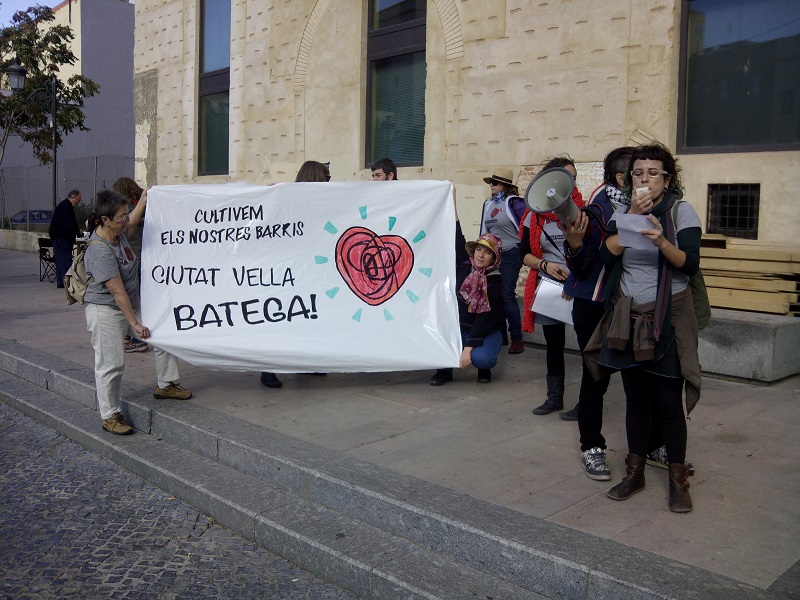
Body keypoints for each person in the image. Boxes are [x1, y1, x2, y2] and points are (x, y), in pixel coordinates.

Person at [584, 143, 701, 513]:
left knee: (668, 403)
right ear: (628, 178)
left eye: (653, 173)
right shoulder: (623, 211)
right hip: (628, 317)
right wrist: (632, 216)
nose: (645, 179)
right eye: (638, 173)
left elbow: (689, 265)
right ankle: (634, 474)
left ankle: (678, 481)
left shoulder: (682, 211)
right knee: (636, 400)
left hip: (668, 316)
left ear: (667, 178)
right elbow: (605, 256)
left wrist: (661, 240)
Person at [84, 189, 192, 435]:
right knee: (111, 364)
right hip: (106, 310)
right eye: (121, 216)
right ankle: (110, 414)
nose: (127, 219)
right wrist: (134, 324)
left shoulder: (118, 233)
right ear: (105, 220)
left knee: (163, 332)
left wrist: (145, 198)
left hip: (131, 304)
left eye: (125, 214)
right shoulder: (99, 250)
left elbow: (132, 221)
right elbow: (117, 292)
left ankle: (166, 383)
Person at [520, 157, 584, 417]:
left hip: (579, 284)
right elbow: (523, 253)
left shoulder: (583, 210)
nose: (569, 182)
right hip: (549, 285)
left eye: (573, 177)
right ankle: (554, 397)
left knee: (585, 344)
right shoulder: (533, 215)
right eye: (563, 176)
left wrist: (573, 277)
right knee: (554, 345)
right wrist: (545, 266)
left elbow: (590, 252)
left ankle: (586, 402)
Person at [260, 160, 331, 389]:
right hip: (288, 270)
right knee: (280, 320)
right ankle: (268, 369)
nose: (330, 181)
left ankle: (305, 362)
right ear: (316, 177)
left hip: (309, 269)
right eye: (326, 177)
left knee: (307, 317)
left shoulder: (321, 201)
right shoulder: (286, 197)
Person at [429, 230, 505, 385]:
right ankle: (444, 371)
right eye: (478, 249)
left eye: (487, 252)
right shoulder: (465, 265)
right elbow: (457, 237)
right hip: (458, 327)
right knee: (433, 341)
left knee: (483, 359)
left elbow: (484, 321)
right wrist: (451, 206)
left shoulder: (494, 284)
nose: (480, 256)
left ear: (494, 258)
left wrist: (467, 349)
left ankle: (483, 368)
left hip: (486, 331)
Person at [479, 168, 526, 354]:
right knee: (493, 294)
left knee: (507, 294)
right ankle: (500, 334)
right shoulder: (487, 205)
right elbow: (484, 231)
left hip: (511, 253)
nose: (491, 185)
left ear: (505, 186)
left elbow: (527, 227)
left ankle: (516, 338)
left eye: (495, 182)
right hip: (493, 255)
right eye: (491, 182)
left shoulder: (514, 203)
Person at [112, 177, 148, 353]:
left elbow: (130, 225)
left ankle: (136, 336)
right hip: (146, 256)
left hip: (132, 257)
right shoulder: (146, 206)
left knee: (131, 299)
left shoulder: (127, 213)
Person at [49, 189, 82, 288]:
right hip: (62, 238)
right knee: (65, 260)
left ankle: (61, 281)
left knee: (60, 260)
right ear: (73, 197)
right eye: (78, 199)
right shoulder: (66, 207)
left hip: (58, 237)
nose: (79, 201)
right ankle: (66, 282)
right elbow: (69, 225)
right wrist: (78, 231)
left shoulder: (63, 206)